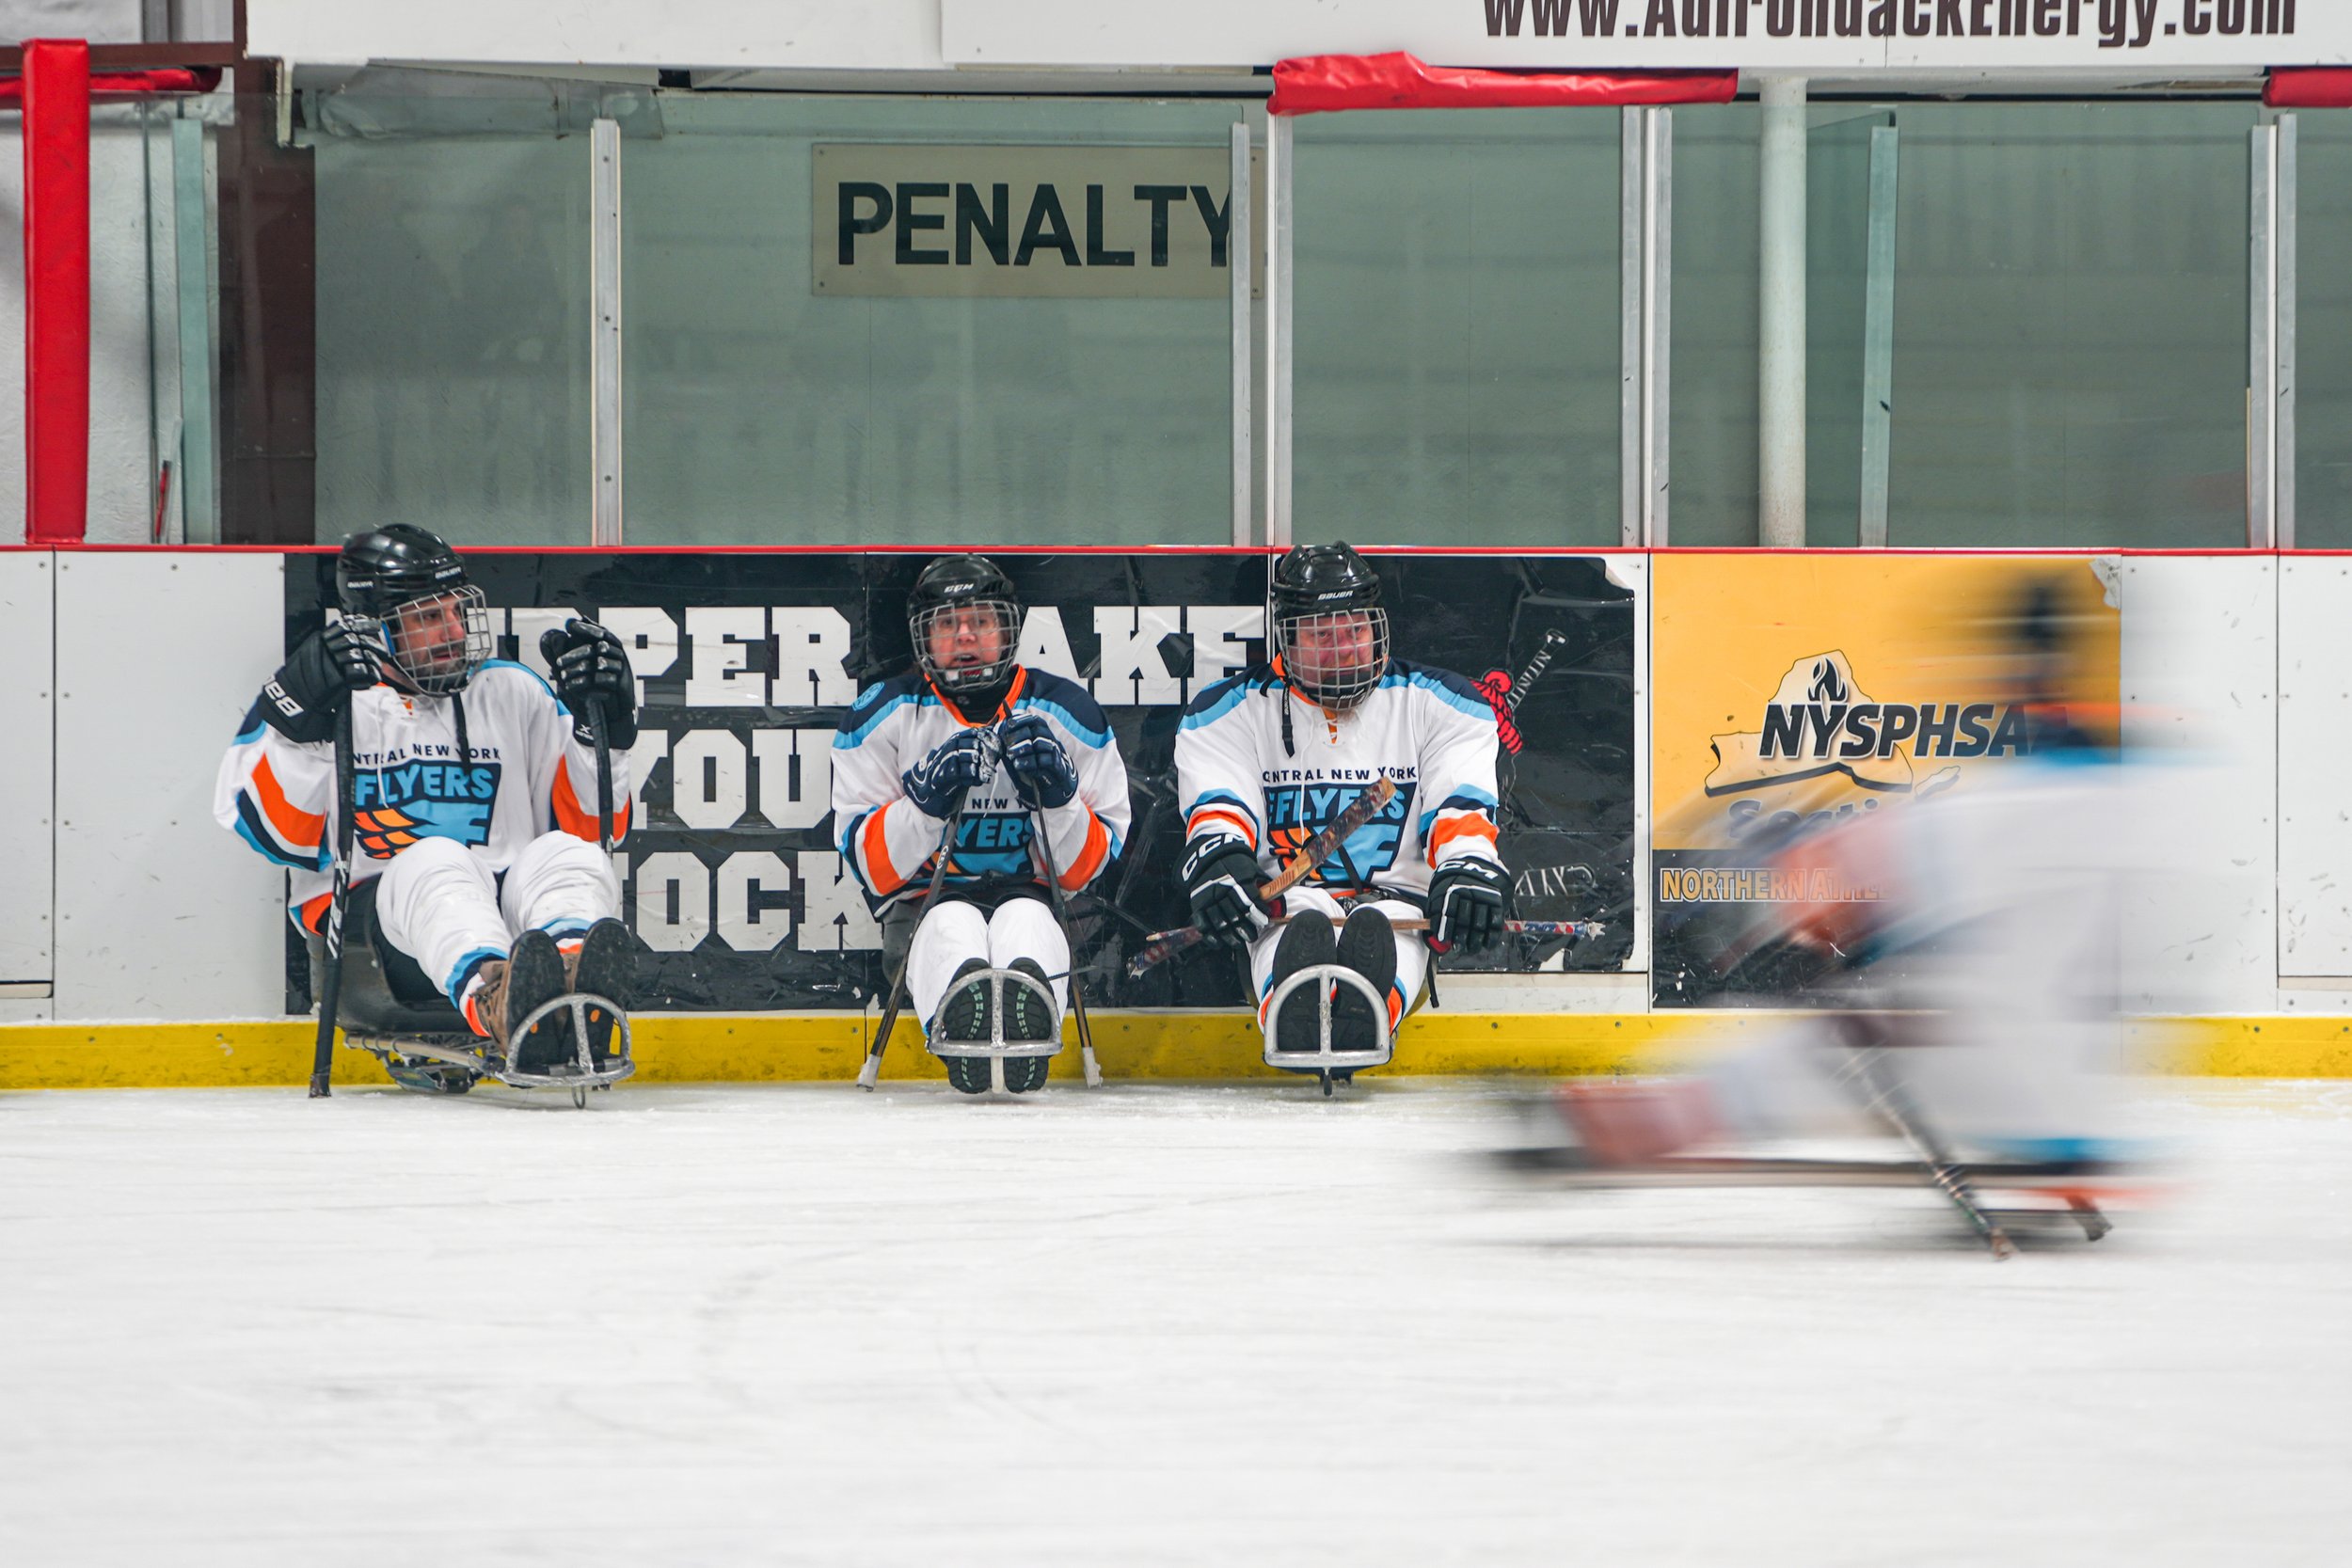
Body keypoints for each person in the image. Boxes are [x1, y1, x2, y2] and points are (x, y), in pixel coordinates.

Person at [214, 524, 639, 1072]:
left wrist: (604, 730)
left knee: (568, 856)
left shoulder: (511, 690)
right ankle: (499, 1000)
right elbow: (275, 836)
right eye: (427, 618)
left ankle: (573, 985)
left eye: (456, 611)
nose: (453, 631)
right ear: (375, 627)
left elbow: (590, 828)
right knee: (436, 859)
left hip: (514, 925)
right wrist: (299, 724)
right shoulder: (335, 701)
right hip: (381, 946)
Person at [1174, 541, 1507, 1071]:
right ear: (1286, 637)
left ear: (1377, 626)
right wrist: (1220, 858)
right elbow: (1219, 806)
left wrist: (1470, 864)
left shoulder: (1446, 703)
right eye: (1320, 635)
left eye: (1354, 629)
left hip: (1399, 902)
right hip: (1286, 902)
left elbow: (1460, 803)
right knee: (1299, 921)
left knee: (1384, 920)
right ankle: (1294, 1007)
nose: (1344, 648)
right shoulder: (1225, 713)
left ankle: (1367, 1014)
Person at [832, 555, 1132, 1094]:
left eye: (981, 622)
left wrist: (1062, 799)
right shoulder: (881, 714)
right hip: (926, 903)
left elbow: (1085, 872)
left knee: (1026, 917)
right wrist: (924, 804)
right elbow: (874, 871)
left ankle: (1023, 1026)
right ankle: (966, 1025)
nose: (965, 637)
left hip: (1036, 896)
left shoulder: (1070, 713)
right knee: (949, 923)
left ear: (1007, 629)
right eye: (948, 623)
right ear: (924, 635)